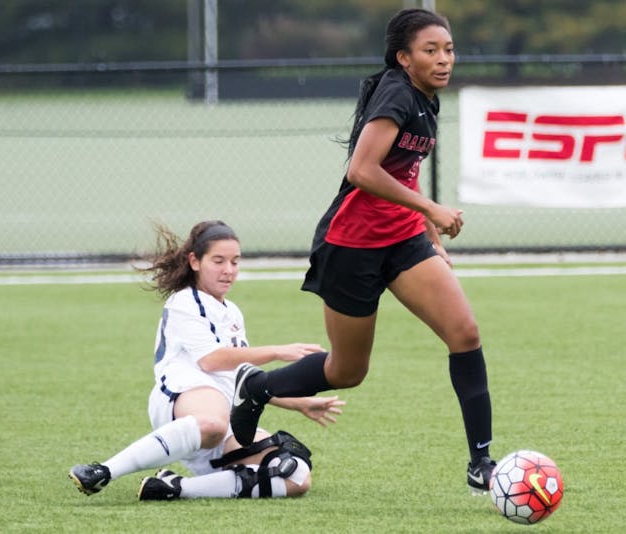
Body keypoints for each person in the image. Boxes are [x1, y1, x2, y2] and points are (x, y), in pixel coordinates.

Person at [229, 8, 496, 496]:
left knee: (465, 332)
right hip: (351, 247)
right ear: (403, 57)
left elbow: (405, 173)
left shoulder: (426, 100)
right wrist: (433, 210)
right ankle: (257, 388)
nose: (444, 60)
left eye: (449, 49)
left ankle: (481, 462)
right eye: (430, 51)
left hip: (403, 242)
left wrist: (430, 238)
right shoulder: (396, 92)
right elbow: (363, 170)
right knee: (346, 372)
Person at [69, 220, 344, 500]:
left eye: (235, 262)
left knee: (296, 475)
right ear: (195, 261)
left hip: (223, 411)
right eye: (218, 261)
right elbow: (212, 361)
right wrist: (277, 351)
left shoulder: (232, 312)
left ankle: (174, 488)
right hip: (181, 400)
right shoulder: (184, 302)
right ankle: (103, 471)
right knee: (213, 422)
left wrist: (299, 403)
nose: (229, 270)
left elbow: (242, 380)